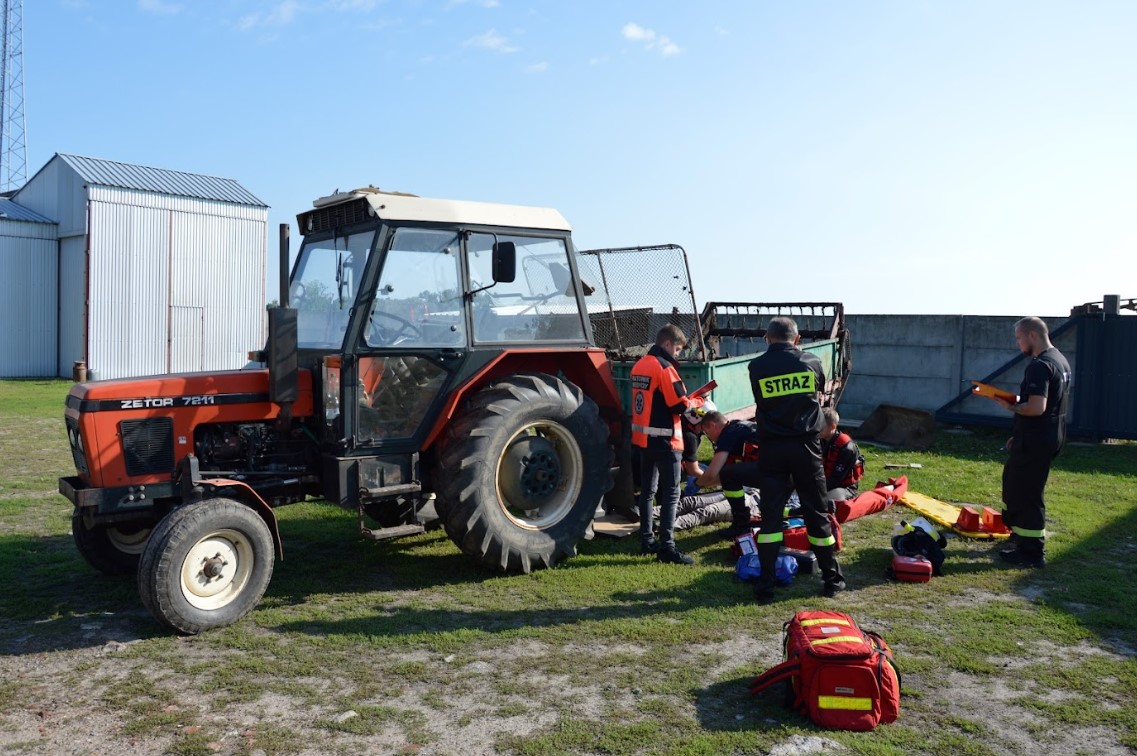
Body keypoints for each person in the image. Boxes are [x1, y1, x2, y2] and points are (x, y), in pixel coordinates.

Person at [740, 316, 845, 602]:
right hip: (806, 448)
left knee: (771, 517)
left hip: (772, 449)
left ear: (767, 338)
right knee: (816, 511)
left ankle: (765, 584)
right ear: (797, 339)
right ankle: (831, 579)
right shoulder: (811, 362)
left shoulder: (756, 366)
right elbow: (819, 391)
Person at [986, 316, 1071, 568]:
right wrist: (1019, 434)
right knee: (1014, 482)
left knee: (1028, 493)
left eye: (1019, 338)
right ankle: (1020, 536)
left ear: (1032, 335)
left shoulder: (1039, 365)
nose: (1018, 343)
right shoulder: (1060, 360)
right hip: (1046, 435)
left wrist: (1010, 405)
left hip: (1037, 439)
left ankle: (1032, 552)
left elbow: (1036, 407)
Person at [630, 324, 699, 565]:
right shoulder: (665, 368)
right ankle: (667, 547)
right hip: (666, 441)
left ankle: (647, 539)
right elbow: (678, 405)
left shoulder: (640, 365)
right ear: (668, 344)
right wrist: (694, 402)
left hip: (643, 440)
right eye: (678, 349)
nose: (678, 354)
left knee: (647, 493)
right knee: (671, 494)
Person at [693, 410, 762, 538]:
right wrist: (704, 485)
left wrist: (697, 484)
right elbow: (723, 477)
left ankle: (741, 524)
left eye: (707, 434)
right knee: (729, 474)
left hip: (770, 470)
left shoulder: (728, 434)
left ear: (713, 425)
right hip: (780, 467)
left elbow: (713, 472)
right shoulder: (738, 427)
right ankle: (744, 522)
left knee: (728, 474)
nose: (710, 439)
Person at [819, 407, 865, 504]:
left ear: (833, 426)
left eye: (821, 426)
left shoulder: (847, 448)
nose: (817, 429)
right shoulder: (819, 440)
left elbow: (836, 480)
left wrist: (815, 489)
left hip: (842, 487)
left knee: (830, 500)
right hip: (821, 482)